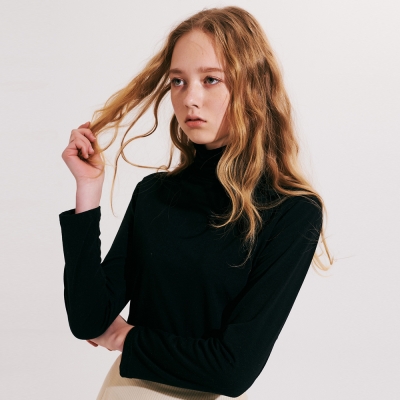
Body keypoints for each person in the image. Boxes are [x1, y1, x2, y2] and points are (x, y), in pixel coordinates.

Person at [59, 6, 332, 400]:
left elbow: (233, 370)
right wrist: (88, 191)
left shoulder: (290, 211)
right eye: (178, 81)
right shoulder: (155, 194)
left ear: (252, 84)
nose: (190, 98)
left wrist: (126, 338)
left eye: (211, 79)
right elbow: (88, 319)